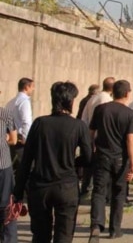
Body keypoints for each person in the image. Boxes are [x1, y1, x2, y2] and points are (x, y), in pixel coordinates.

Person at [14, 81, 92, 243]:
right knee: (64, 234)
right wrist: (74, 162)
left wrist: (18, 193)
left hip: (40, 186)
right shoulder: (78, 126)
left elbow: (26, 161)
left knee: (40, 235)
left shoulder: (39, 123)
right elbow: (88, 157)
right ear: (70, 101)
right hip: (67, 186)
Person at [88, 80, 133, 242]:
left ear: (112, 92)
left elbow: (91, 132)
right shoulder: (129, 114)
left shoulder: (101, 109)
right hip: (120, 158)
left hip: (102, 155)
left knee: (99, 191)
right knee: (118, 193)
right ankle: (115, 229)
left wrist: (91, 147)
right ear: (127, 93)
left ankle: (96, 225)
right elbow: (130, 139)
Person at [80, 77, 115, 200]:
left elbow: (84, 118)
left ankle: (85, 189)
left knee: (90, 166)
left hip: (90, 134)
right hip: (100, 137)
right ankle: (100, 193)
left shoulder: (93, 98)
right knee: (101, 169)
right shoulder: (107, 100)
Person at [5, 77, 34, 184]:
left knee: (12, 169)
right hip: (21, 140)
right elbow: (26, 122)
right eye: (32, 87)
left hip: (10, 138)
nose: (33, 90)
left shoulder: (11, 102)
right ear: (26, 87)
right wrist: (27, 140)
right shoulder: (24, 102)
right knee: (26, 169)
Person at [0, 104, 18, 243]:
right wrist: (5, 138)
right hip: (3, 166)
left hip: (4, 167)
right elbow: (14, 140)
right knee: (7, 206)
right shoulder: (5, 114)